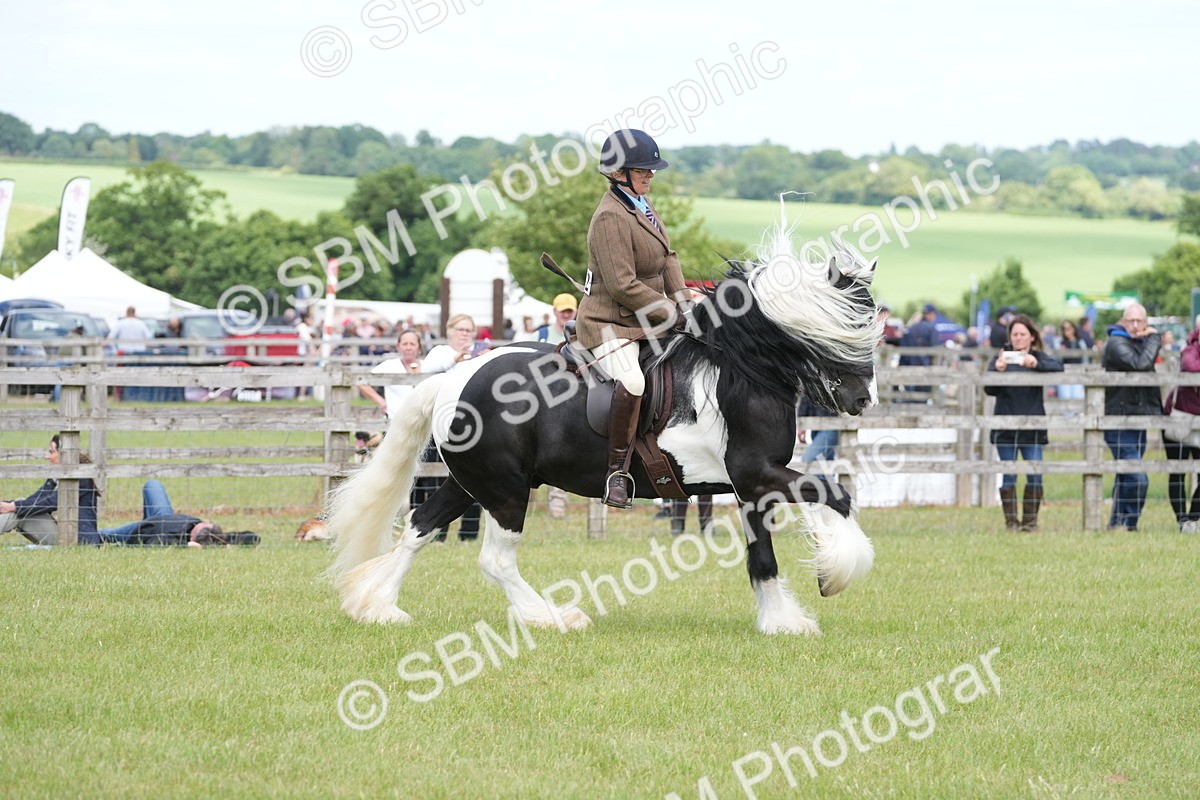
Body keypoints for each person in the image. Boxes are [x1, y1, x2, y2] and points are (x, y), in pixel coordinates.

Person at [576, 128, 690, 508]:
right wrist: (669, 310)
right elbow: (623, 285)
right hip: (608, 322)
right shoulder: (610, 217)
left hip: (644, 318)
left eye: (651, 169)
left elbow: (668, 257)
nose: (650, 175)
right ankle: (617, 473)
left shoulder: (640, 204)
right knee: (633, 380)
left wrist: (685, 302)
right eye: (642, 169)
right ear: (618, 173)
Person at [985, 314, 1064, 530]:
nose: (1018, 338)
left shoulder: (1038, 357)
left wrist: (1036, 363)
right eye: (1015, 334)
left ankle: (1030, 522)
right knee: (1008, 476)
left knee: (1035, 475)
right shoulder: (1000, 358)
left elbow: (1059, 367)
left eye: (1023, 334)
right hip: (1006, 427)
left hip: (1032, 428)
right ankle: (1011, 522)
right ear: (1009, 337)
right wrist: (997, 370)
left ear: (1031, 337)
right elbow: (988, 389)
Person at [419, 313, 485, 541]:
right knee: (436, 482)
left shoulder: (480, 354)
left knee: (475, 479)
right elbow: (426, 370)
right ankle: (438, 533)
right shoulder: (440, 352)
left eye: (468, 330)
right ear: (450, 331)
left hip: (471, 423)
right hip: (440, 422)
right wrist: (455, 359)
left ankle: (468, 533)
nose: (464, 334)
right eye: (460, 329)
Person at [1102, 302, 1162, 531]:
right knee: (1137, 476)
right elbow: (1140, 365)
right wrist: (1155, 339)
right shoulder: (1117, 342)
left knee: (1126, 474)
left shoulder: (1138, 342)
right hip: (1118, 419)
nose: (1135, 326)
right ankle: (1131, 522)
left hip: (1137, 419)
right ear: (1122, 321)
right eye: (1131, 321)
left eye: (1140, 321)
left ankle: (1117, 523)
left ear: (1146, 323)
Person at [0, 435, 98, 545]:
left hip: (77, 541)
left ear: (63, 454)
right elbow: (35, 499)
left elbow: (51, 502)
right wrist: (7, 504)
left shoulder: (80, 478)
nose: (47, 456)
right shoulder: (55, 478)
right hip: (62, 533)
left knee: (17, 511)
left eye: (51, 452)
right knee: (18, 508)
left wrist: (14, 506)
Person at [96, 479, 234, 547]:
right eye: (202, 523)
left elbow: (153, 543)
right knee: (153, 484)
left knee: (102, 535)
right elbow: (252, 537)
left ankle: (83, 534)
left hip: (144, 529)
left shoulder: (172, 540)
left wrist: (185, 547)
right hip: (163, 515)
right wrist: (225, 544)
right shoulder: (213, 534)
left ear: (192, 539)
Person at [1163, 325, 1200, 532]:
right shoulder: (1190, 349)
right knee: (1177, 471)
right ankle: (1182, 518)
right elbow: (1190, 366)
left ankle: (1193, 518)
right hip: (1180, 417)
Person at [359, 329, 425, 418]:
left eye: (412, 344)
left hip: (421, 421)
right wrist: (380, 401)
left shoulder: (427, 365)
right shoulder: (390, 365)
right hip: (394, 421)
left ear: (419, 347)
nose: (408, 348)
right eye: (405, 344)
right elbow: (361, 382)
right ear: (398, 346)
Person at [897, 303, 938, 400]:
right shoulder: (931, 328)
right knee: (924, 397)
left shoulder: (911, 328)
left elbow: (903, 348)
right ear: (930, 314)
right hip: (925, 367)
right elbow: (934, 349)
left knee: (909, 397)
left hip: (909, 366)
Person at [797, 395, 838, 463]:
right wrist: (802, 423)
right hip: (815, 428)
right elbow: (806, 395)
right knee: (823, 463)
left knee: (808, 460)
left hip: (829, 426)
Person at [1056, 319, 1088, 401]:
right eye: (1065, 329)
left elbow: (1085, 359)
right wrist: (1060, 352)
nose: (1067, 331)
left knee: (1078, 396)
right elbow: (1056, 359)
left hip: (1078, 372)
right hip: (1064, 373)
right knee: (1065, 397)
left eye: (1069, 328)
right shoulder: (1059, 342)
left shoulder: (1080, 342)